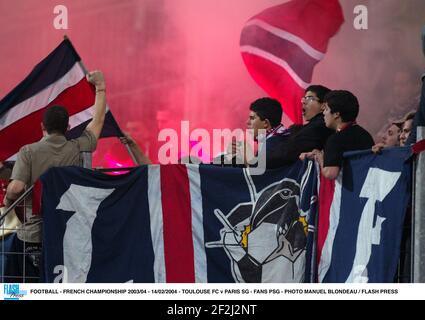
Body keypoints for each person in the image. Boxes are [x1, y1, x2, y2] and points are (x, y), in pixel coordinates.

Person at [2, 70, 106, 282]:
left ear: (42, 127)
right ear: (67, 127)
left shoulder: (28, 152)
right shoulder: (78, 147)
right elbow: (97, 122)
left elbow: (16, 189)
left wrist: (8, 199)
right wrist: (101, 88)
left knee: (19, 287)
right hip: (65, 235)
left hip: (33, 236)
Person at [305, 90, 374, 180]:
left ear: (336, 114)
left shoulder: (335, 140)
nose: (324, 113)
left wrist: (320, 157)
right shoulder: (365, 134)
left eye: (326, 109)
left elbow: (330, 173)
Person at [244, 97, 291, 169]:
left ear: (265, 123)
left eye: (252, 118)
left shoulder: (274, 144)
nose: (247, 122)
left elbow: (259, 175)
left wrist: (245, 158)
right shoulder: (279, 139)